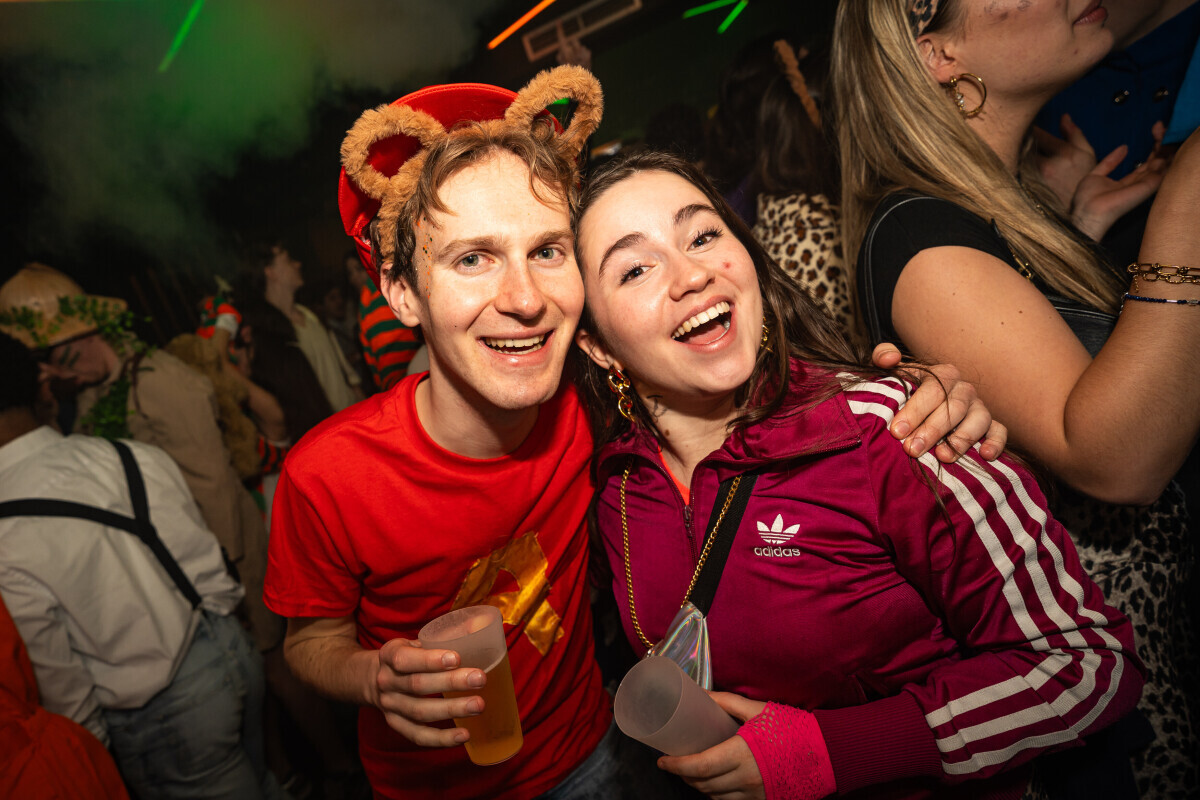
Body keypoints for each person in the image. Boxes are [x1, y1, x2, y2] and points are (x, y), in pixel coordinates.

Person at [266, 65, 1000, 800]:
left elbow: (727, 377)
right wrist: (372, 676)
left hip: (596, 755)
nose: (524, 298)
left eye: (546, 251)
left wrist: (914, 393)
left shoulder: (595, 413)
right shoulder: (328, 474)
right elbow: (309, 642)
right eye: (473, 259)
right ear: (401, 292)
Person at [570, 149, 1144, 800]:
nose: (691, 275)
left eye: (702, 236)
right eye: (636, 269)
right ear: (598, 346)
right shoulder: (617, 486)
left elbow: (1091, 664)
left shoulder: (891, 429)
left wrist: (834, 751)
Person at [833, 0, 1200, 794]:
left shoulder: (997, 209)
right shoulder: (918, 235)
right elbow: (1116, 458)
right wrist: (1185, 207)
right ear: (938, 56)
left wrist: (1080, 231)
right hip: (1128, 698)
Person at [0, 331, 281, 800]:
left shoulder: (5, 533)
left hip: (163, 712)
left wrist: (96, 755)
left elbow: (61, 680)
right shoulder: (126, 454)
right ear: (36, 386)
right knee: (264, 782)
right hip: (231, 650)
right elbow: (205, 563)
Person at [0, 263, 283, 656]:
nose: (52, 373)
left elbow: (214, 486)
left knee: (273, 662)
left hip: (227, 556)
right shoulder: (91, 392)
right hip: (180, 566)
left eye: (52, 356)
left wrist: (225, 580)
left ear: (85, 334)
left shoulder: (160, 380)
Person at [240, 241, 364, 413]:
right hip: (330, 425)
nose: (298, 264)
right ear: (270, 272)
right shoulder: (273, 337)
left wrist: (362, 401)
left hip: (356, 413)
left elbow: (345, 372)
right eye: (288, 260)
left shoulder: (310, 314)